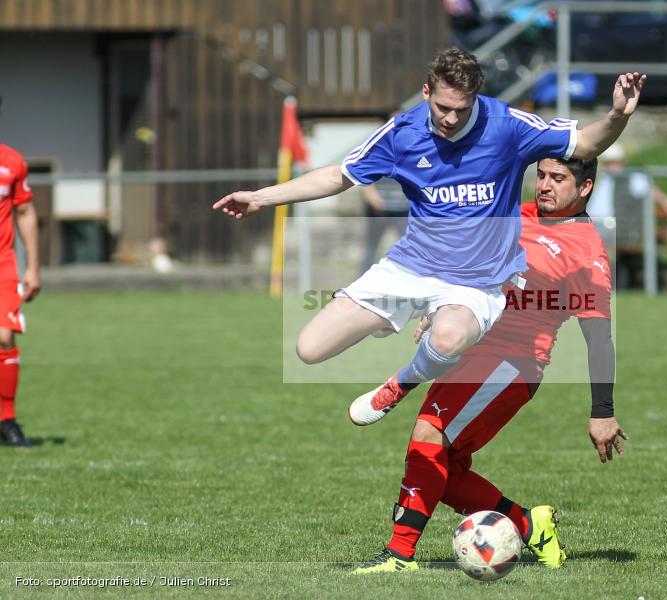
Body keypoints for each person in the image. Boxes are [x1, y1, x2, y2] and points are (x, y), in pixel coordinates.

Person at [214, 48, 645, 418]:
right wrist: (263, 197)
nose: (452, 118)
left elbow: (586, 144)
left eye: (462, 108)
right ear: (426, 93)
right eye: (443, 107)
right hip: (410, 268)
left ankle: (399, 383)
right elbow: (338, 176)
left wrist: (616, 115)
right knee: (309, 348)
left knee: (448, 337)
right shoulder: (403, 133)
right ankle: (388, 320)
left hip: (477, 282)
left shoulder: (508, 125)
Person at [353, 156, 626, 573]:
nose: (545, 185)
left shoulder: (587, 254)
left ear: (584, 188)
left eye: (558, 178)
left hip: (511, 364)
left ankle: (399, 554)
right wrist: (439, 312)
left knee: (429, 437)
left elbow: (599, 339)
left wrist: (602, 413)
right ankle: (528, 526)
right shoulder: (516, 214)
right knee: (442, 461)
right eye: (541, 176)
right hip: (472, 348)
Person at [0, 97, 42, 447]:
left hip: (3, 266)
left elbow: (25, 212)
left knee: (3, 336)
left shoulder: (12, 162)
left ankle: (6, 420)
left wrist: (34, 268)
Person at [358, 178, 408, 276]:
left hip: (403, 209)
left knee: (409, 247)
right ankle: (364, 277)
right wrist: (370, 194)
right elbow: (364, 174)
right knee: (371, 247)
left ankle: (411, 277)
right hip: (377, 209)